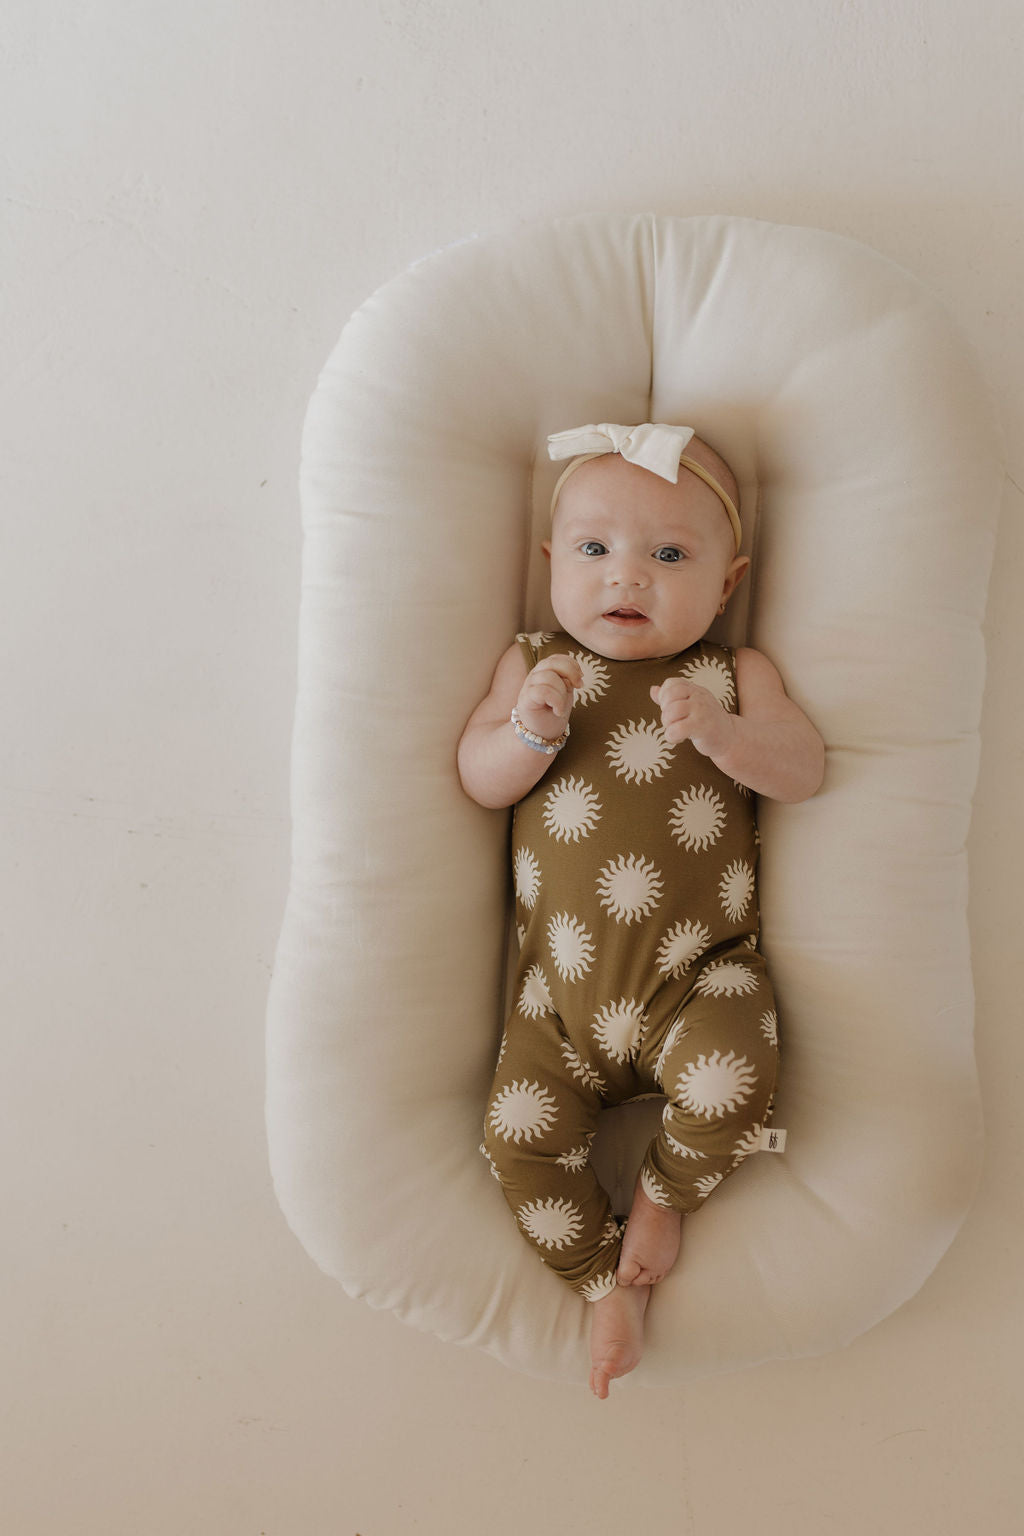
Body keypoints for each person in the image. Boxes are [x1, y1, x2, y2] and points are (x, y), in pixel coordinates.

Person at [457, 423, 824, 1398]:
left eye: (668, 555)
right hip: (555, 1008)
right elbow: (479, 778)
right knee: (514, 1141)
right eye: (593, 550)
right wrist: (529, 731)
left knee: (733, 1084)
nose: (628, 577)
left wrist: (724, 737)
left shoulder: (731, 675)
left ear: (728, 580)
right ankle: (595, 1280)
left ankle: (664, 1195)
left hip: (700, 975)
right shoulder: (535, 661)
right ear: (550, 564)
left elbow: (802, 772)